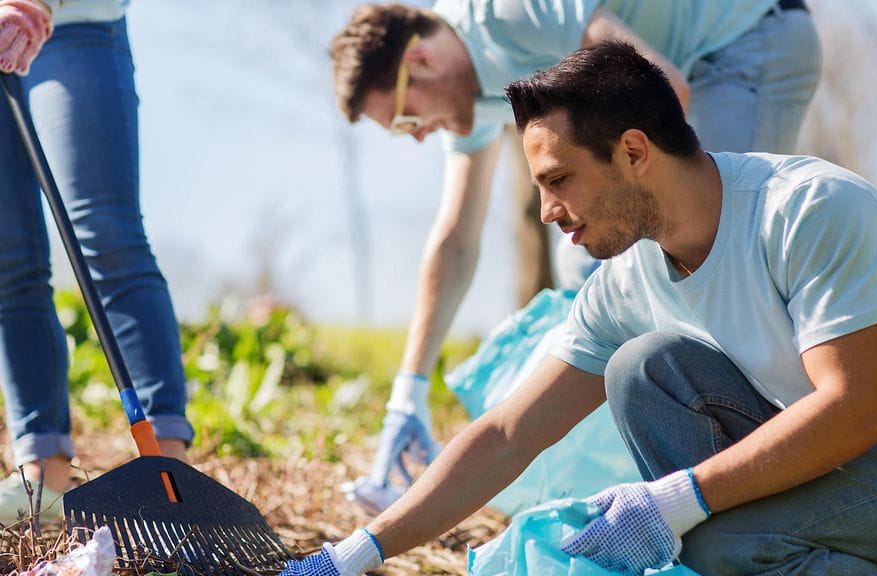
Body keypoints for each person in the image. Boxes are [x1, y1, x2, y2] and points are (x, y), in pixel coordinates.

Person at [281, 41, 877, 576]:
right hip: (838, 470)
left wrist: (677, 504)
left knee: (717, 549)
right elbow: (509, 432)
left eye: (559, 179)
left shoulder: (809, 211)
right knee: (643, 368)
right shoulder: (628, 277)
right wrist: (358, 552)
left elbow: (855, 410)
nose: (545, 211)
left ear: (634, 152)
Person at [330, 0, 822, 511]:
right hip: (671, 74)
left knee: (698, 236)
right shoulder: (463, 95)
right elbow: (455, 239)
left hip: (745, 38)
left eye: (406, 119)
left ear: (421, 63)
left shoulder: (508, 12)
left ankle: (775, 465)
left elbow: (664, 87)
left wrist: (627, 257)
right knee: (579, 274)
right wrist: (408, 391)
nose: (417, 136)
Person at [0, 0, 193, 522]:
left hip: (72, 23)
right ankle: (44, 478)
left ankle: (167, 468)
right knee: (9, 263)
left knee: (104, 236)